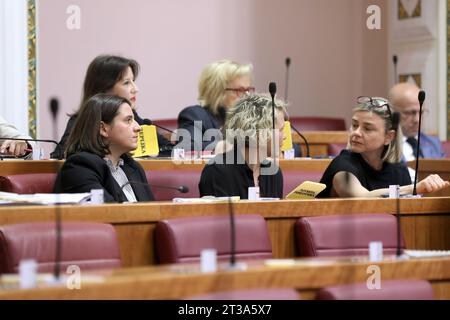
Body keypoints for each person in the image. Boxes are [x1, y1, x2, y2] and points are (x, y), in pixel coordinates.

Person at [318, 96, 449, 198]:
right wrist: (412, 188)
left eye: (367, 128)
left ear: (389, 137)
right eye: (354, 125)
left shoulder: (399, 171)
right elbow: (362, 198)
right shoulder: (342, 165)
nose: (356, 133)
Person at [51, 55, 173, 159]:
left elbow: (171, 151)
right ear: (104, 89)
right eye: (126, 83)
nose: (135, 89)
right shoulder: (82, 120)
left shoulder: (134, 119)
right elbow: (60, 157)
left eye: (133, 81)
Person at [53, 94, 154, 203]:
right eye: (128, 120)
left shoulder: (133, 167)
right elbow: (109, 213)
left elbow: (152, 211)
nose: (138, 127)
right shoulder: (80, 168)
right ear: (103, 129)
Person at [199, 93, 286, 199]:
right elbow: (219, 215)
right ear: (258, 132)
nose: (285, 136)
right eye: (280, 130)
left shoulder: (274, 174)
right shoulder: (217, 171)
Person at [176, 59, 254, 152]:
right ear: (217, 91)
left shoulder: (250, 118)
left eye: (248, 90)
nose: (246, 96)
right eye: (239, 90)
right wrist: (229, 145)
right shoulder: (195, 115)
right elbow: (187, 147)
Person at [388, 82, 445, 161]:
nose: (417, 120)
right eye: (409, 113)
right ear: (391, 113)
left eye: (421, 112)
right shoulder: (384, 146)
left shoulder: (433, 143)